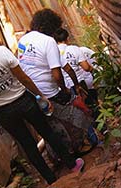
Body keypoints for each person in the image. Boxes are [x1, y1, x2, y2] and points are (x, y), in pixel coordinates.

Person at [0, 18, 84, 185]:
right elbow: (24, 79)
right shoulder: (1, 52)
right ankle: (72, 164)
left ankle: (50, 179)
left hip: (3, 112)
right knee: (47, 132)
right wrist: (41, 96)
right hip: (24, 101)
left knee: (28, 146)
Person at [18, 9, 93, 159]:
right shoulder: (48, 41)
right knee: (77, 115)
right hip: (49, 91)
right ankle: (79, 146)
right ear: (51, 27)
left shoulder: (23, 40)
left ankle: (59, 155)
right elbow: (57, 73)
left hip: (31, 93)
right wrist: (65, 90)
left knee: (49, 125)